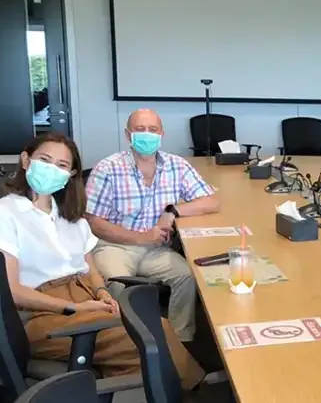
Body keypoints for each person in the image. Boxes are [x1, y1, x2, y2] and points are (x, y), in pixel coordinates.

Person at [0, 132, 204, 388]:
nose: (52, 169)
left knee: (156, 329)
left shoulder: (70, 215)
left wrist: (102, 293)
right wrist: (73, 308)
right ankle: (190, 388)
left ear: (71, 174)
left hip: (84, 297)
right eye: (45, 160)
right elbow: (12, 291)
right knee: (148, 338)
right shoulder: (4, 213)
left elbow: (89, 268)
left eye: (61, 165)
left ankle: (173, 387)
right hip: (40, 314)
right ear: (26, 160)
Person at [85, 109, 220, 343]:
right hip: (114, 246)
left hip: (156, 250)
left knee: (188, 277)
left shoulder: (176, 165)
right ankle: (127, 345)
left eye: (153, 129)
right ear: (128, 135)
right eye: (140, 129)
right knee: (117, 284)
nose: (147, 134)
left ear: (162, 134)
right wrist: (141, 238)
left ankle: (179, 342)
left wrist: (172, 211)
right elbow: (94, 222)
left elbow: (212, 201)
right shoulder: (108, 168)